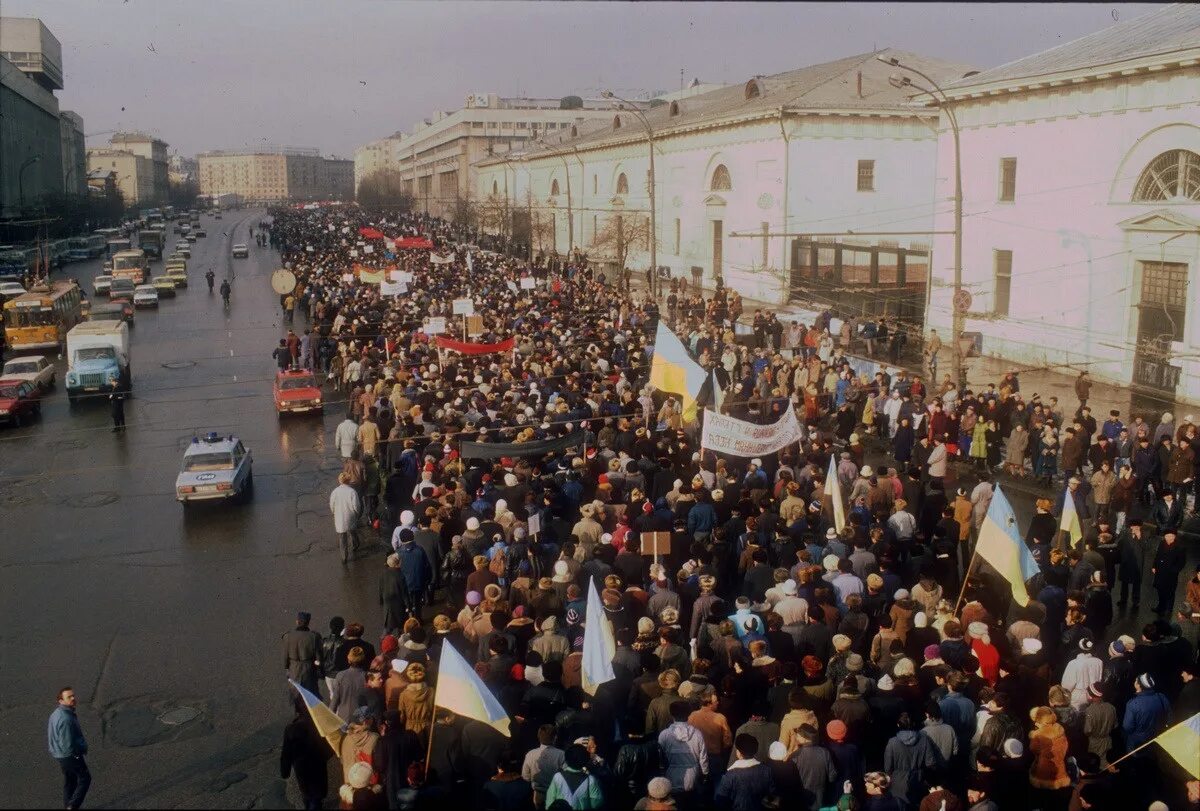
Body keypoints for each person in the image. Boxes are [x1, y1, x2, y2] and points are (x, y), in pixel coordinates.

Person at [281, 692, 332, 810]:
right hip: (318, 766)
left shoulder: (291, 728)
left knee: (307, 794)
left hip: (302, 768)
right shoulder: (320, 725)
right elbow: (329, 748)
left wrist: (285, 770)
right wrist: (323, 758)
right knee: (316, 797)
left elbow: (286, 753)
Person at [48, 687, 90, 810]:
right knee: (85, 779)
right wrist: (78, 753)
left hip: (59, 754)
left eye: (73, 695)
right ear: (61, 701)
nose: (73, 698)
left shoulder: (56, 714)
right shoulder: (66, 719)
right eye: (69, 697)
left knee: (70, 780)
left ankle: (67, 805)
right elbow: (67, 745)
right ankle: (72, 806)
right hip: (69, 756)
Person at [282, 611, 323, 694]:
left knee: (296, 693)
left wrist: (287, 668)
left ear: (297, 621)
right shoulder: (314, 636)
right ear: (308, 623)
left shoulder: (287, 636)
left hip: (293, 668)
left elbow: (285, 656)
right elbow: (318, 656)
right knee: (310, 694)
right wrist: (319, 668)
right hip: (309, 668)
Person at [330, 472, 361, 564]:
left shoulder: (335, 492)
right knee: (352, 531)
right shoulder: (352, 492)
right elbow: (356, 506)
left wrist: (334, 513)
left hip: (339, 516)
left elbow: (332, 505)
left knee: (342, 537)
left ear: (340, 481)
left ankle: (344, 556)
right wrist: (357, 513)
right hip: (350, 515)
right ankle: (355, 544)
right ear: (349, 481)